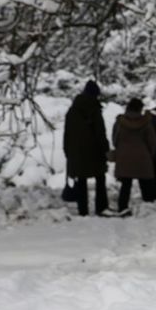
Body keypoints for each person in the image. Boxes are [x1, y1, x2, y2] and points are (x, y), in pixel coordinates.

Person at [63, 80, 110, 216]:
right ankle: (101, 207)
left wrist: (67, 151)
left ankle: (82, 210)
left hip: (77, 153)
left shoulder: (72, 111)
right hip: (94, 152)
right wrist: (105, 149)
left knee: (81, 180)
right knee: (100, 179)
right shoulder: (95, 110)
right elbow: (100, 133)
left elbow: (67, 134)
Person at [111, 97, 156, 214]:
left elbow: (115, 139)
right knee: (145, 184)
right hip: (142, 158)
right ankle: (148, 206)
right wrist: (149, 154)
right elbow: (152, 141)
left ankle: (122, 207)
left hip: (124, 158)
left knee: (125, 185)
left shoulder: (120, 122)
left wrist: (121, 150)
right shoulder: (146, 122)